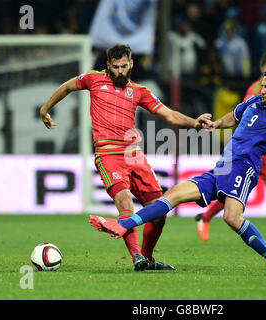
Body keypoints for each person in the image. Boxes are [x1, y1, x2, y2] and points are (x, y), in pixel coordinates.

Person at [88, 68, 266, 274]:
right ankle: (124, 225)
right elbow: (235, 114)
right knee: (174, 194)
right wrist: (216, 124)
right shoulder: (253, 101)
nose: (260, 89)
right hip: (222, 166)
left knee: (231, 217)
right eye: (261, 85)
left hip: (244, 170)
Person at [40, 44, 211, 271]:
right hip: (108, 154)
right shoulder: (93, 79)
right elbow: (67, 87)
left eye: (124, 66)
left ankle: (148, 260)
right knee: (125, 202)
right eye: (116, 67)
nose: (120, 71)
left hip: (134, 156)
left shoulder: (139, 91)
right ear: (108, 66)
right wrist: (45, 109)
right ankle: (136, 256)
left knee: (159, 211)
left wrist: (194, 122)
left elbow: (169, 114)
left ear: (131, 64)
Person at [195, 52, 266, 246]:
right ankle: (205, 216)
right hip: (249, 152)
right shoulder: (256, 91)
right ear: (261, 69)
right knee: (231, 190)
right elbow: (243, 117)